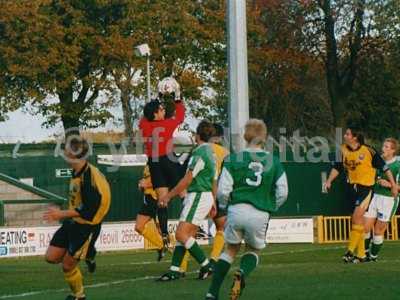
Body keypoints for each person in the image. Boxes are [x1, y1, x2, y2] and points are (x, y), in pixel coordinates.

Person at [205, 119, 288, 300]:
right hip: (260, 212)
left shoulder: (233, 159)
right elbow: (283, 191)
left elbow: (223, 190)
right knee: (253, 250)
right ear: (264, 137)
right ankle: (242, 272)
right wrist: (272, 206)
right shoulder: (273, 161)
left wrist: (225, 206)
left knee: (230, 250)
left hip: (237, 210)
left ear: (245, 136)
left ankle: (212, 292)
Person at [44, 137, 111, 300]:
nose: (63, 153)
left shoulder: (88, 178)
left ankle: (79, 296)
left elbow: (88, 210)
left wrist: (60, 214)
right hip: (73, 222)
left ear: (73, 154)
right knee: (51, 257)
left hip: (87, 227)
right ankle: (89, 254)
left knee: (67, 266)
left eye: (66, 150)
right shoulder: (77, 170)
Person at [324, 127, 398, 263]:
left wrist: (392, 185)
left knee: (368, 224)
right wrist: (329, 180)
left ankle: (355, 253)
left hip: (375, 193)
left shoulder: (371, 152)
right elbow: (338, 167)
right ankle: (362, 254)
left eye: (347, 134)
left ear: (355, 137)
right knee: (361, 224)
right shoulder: (343, 150)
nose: (345, 136)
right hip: (360, 191)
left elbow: (386, 171)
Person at [157, 120, 217, 281]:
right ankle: (175, 269)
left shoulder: (200, 153)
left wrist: (168, 196)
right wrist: (214, 202)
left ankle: (206, 265)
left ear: (197, 135)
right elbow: (214, 180)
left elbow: (187, 180)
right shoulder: (211, 153)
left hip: (198, 195)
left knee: (181, 234)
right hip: (205, 196)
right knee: (185, 234)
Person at [139, 77, 184, 244]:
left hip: (154, 163)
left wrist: (157, 97)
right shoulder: (167, 124)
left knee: (162, 200)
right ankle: (188, 227)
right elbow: (180, 115)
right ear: (157, 114)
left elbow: (145, 116)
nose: (163, 110)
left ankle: (164, 234)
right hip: (168, 160)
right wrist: (177, 96)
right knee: (183, 192)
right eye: (161, 109)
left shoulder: (144, 125)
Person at [364, 138, 400, 261]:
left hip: (389, 200)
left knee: (378, 230)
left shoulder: (398, 165)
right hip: (375, 197)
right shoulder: (378, 163)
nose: (383, 149)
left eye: (386, 147)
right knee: (365, 227)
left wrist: (390, 185)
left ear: (393, 151)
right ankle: (364, 253)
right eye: (383, 146)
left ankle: (373, 257)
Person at [135, 165, 169, 261]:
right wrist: (141, 186)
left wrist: (145, 184)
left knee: (162, 230)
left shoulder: (159, 163)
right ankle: (160, 246)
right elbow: (145, 182)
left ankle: (177, 253)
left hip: (156, 200)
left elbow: (160, 181)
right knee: (138, 227)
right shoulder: (147, 165)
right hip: (147, 200)